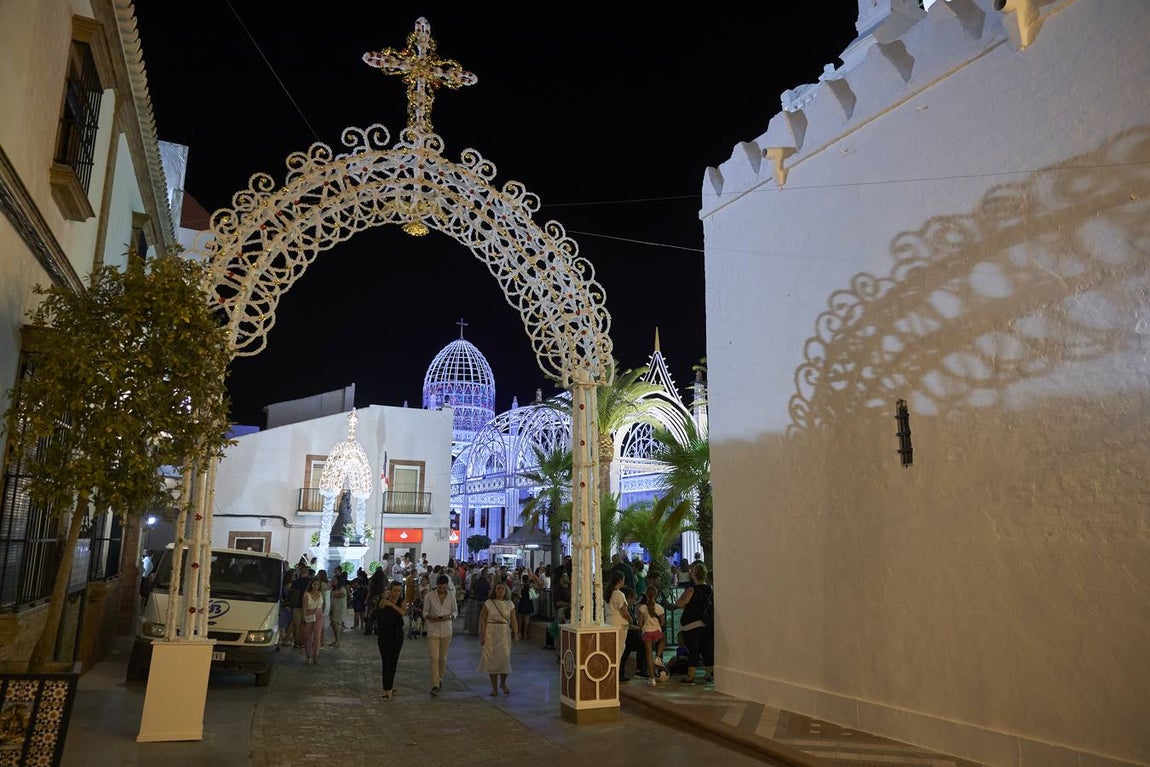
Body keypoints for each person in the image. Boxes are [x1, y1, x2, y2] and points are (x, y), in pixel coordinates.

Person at [674, 562, 714, 684]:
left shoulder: (692, 589)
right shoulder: (710, 589)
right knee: (707, 650)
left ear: (694, 575)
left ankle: (691, 677)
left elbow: (680, 603)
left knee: (693, 650)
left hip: (692, 625)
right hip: (707, 624)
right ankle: (709, 674)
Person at [478, 580, 518, 695]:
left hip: (504, 633)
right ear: (494, 591)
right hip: (491, 632)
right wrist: (483, 635)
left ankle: (503, 683)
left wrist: (516, 634)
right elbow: (483, 619)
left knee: (505, 658)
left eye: (502, 589)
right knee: (492, 660)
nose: (500, 591)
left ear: (506, 591)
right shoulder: (489, 603)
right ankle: (494, 687)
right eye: (498, 589)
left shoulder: (510, 604)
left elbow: (514, 620)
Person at [423, 574, 457, 696]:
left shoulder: (451, 596)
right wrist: (430, 617)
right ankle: (435, 683)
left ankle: (440, 677)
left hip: (446, 629)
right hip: (433, 629)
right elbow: (425, 612)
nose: (442, 590)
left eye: (444, 588)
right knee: (434, 658)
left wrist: (450, 616)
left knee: (442, 658)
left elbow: (455, 611)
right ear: (436, 586)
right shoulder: (429, 596)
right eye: (440, 588)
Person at [373, 581, 406, 700]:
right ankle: (387, 689)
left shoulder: (402, 600)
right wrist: (384, 598)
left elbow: (403, 612)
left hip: (397, 635)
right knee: (386, 661)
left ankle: (390, 687)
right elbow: (380, 607)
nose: (397, 593)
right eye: (395, 590)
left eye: (399, 590)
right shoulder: (384, 599)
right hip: (384, 635)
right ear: (390, 590)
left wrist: (392, 605)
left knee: (393, 661)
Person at [638, 584, 666, 686]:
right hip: (657, 631)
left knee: (648, 654)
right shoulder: (660, 608)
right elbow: (662, 623)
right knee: (663, 639)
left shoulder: (642, 607)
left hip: (647, 632)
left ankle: (652, 679)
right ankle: (658, 656)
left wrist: (643, 629)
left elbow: (640, 623)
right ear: (656, 594)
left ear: (646, 594)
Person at [604, 571, 630, 679]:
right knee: (619, 650)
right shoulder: (619, 594)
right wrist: (631, 619)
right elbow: (624, 611)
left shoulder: (607, 593)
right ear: (620, 580)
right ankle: (614, 675)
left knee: (611, 649)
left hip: (610, 623)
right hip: (620, 624)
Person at [301, 577, 325, 665]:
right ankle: (308, 656)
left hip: (319, 615)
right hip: (309, 614)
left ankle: (316, 655)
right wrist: (303, 617)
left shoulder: (321, 594)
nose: (315, 586)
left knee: (317, 636)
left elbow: (323, 604)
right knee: (307, 637)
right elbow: (304, 607)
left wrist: (323, 613)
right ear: (311, 585)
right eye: (314, 584)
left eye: (317, 584)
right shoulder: (306, 595)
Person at [328, 571, 348, 647]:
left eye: (334, 580)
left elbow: (342, 594)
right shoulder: (333, 588)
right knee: (333, 623)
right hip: (334, 607)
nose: (332, 581)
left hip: (339, 608)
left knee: (336, 624)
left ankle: (337, 641)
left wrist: (334, 594)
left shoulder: (342, 588)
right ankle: (336, 640)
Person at [515, 572, 536, 641]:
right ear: (528, 579)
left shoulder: (521, 586)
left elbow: (518, 594)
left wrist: (521, 597)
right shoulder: (530, 586)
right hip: (528, 602)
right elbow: (533, 595)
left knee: (520, 619)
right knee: (526, 619)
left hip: (522, 602)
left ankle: (520, 633)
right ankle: (525, 633)